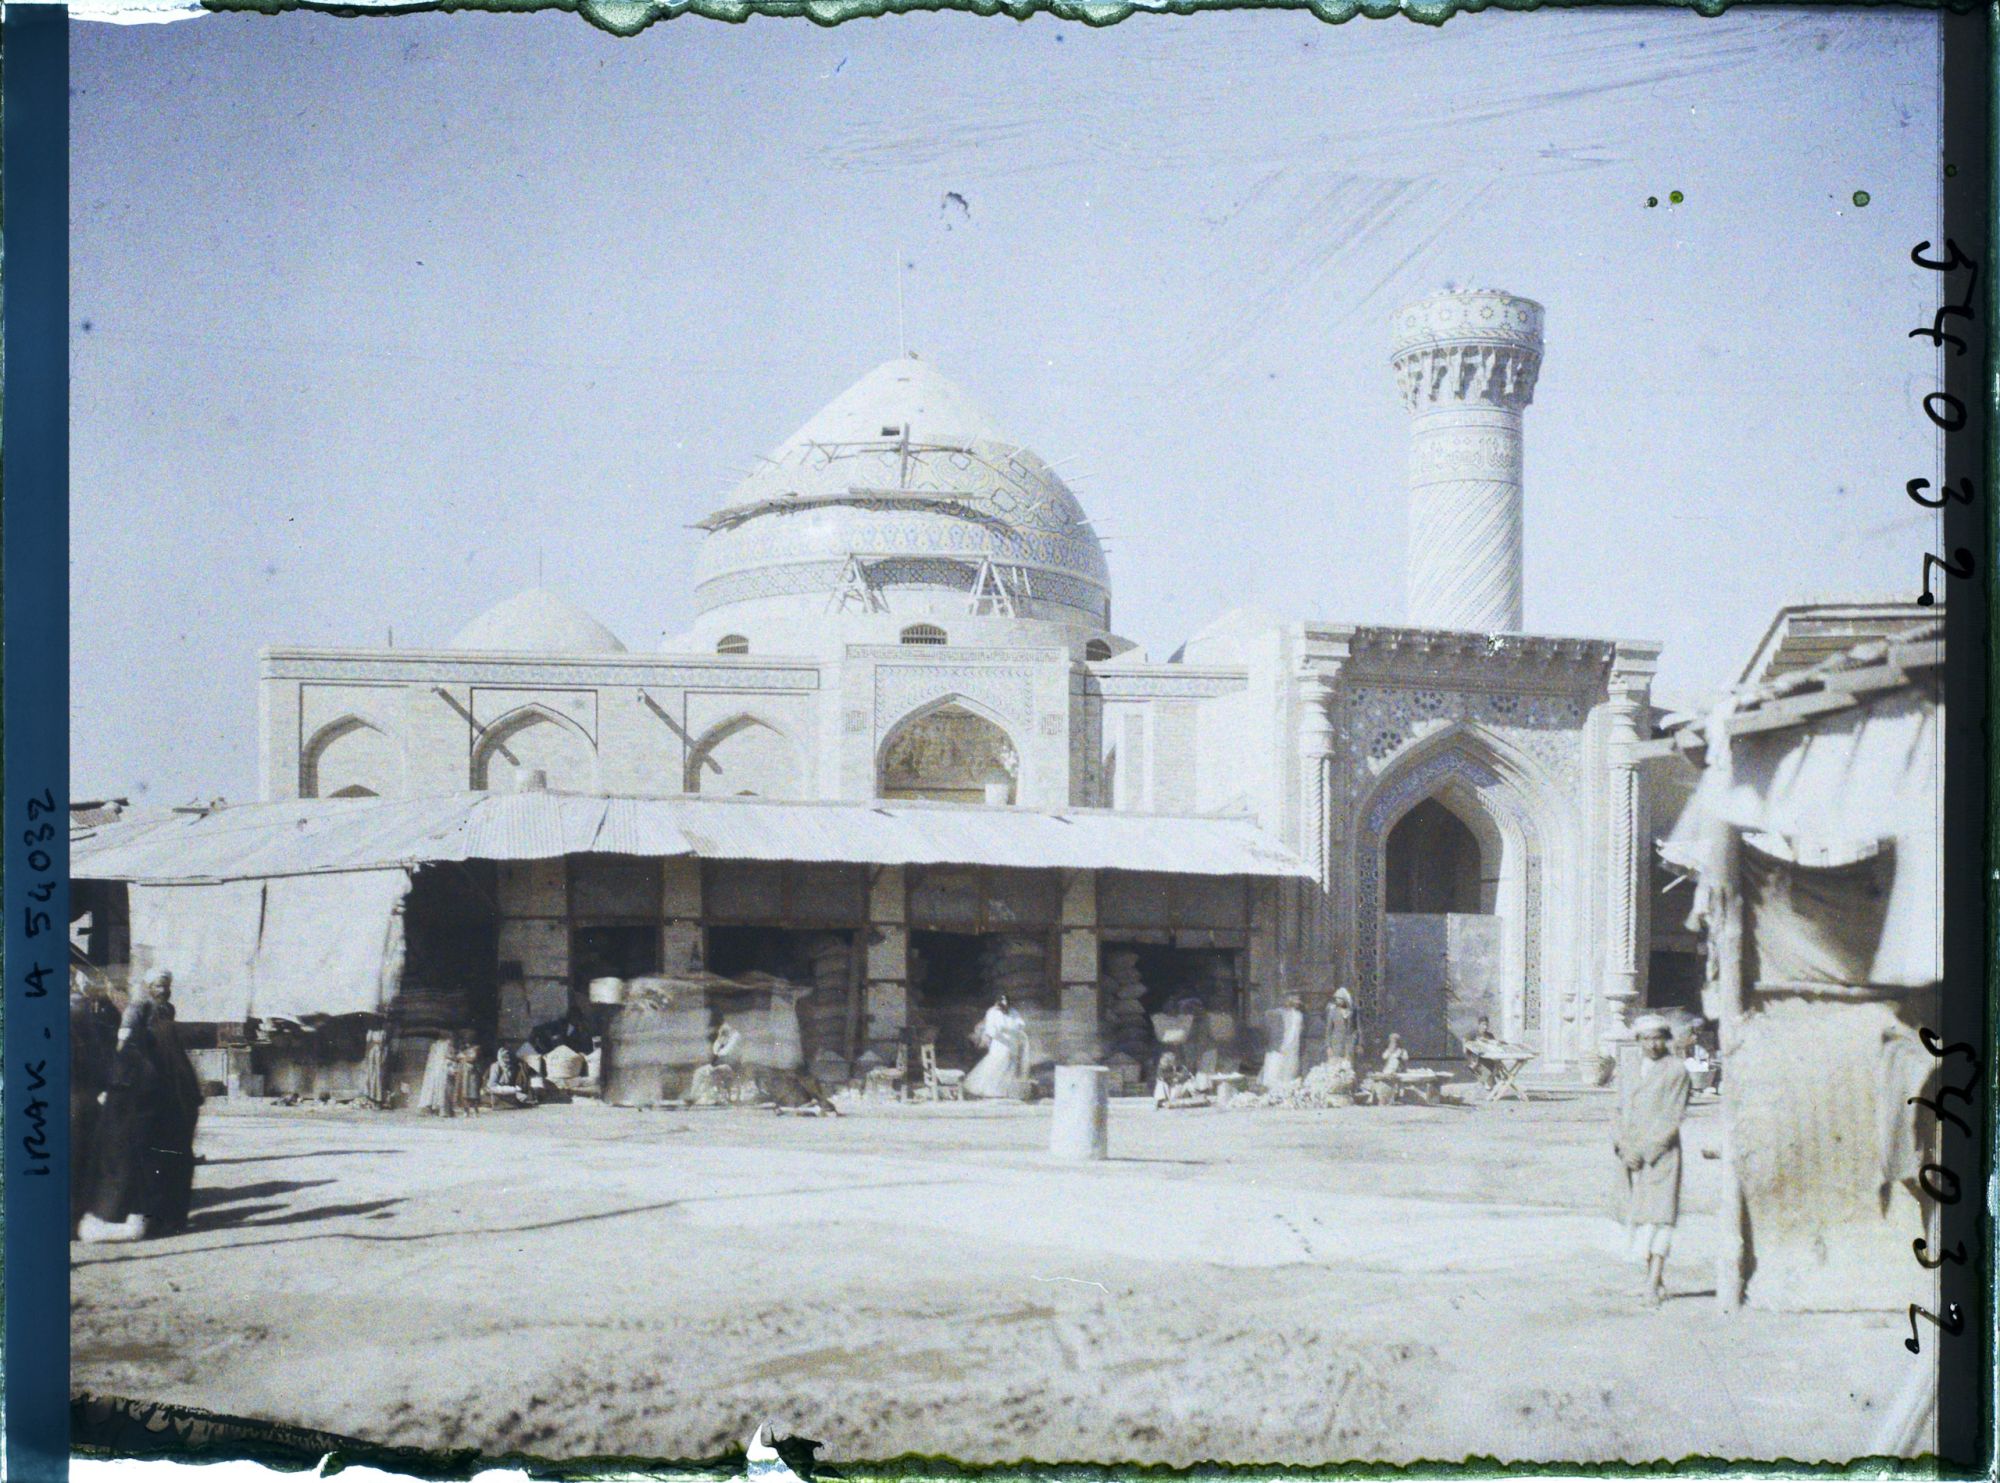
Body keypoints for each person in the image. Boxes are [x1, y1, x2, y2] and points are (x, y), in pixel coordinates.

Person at [1614, 1013, 1693, 1306]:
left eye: (1658, 1037)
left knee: (1661, 1220)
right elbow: (1619, 1109)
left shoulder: (1676, 1071)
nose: (1652, 1044)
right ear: (1638, 1041)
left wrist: (1646, 1151)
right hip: (1631, 1155)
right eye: (1646, 1038)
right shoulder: (1631, 1070)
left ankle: (1652, 1283)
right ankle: (1653, 1282)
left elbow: (1672, 1117)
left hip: (1661, 1156)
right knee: (1641, 1217)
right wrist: (1623, 1146)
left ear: (1666, 1039)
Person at [69, 974, 122, 1234]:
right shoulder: (89, 1029)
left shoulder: (84, 1024)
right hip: (82, 1100)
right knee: (82, 1160)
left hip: (76, 1099)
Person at [963, 994, 1031, 1100]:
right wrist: (1002, 1034)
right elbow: (991, 1029)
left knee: (1009, 1065)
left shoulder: (1013, 1012)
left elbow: (1020, 1023)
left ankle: (1003, 1090)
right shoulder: (992, 1013)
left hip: (1012, 1041)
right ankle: (989, 1089)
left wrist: (1016, 1029)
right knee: (996, 1063)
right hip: (1000, 1042)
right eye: (1002, 1003)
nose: (1005, 1006)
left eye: (1006, 1003)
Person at [1259, 995, 1305, 1090]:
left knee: (1289, 1075)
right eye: (1295, 999)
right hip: (1279, 1048)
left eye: (1298, 1000)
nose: (1297, 1002)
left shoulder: (1298, 1015)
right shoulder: (1275, 1014)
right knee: (1274, 1073)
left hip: (1292, 1048)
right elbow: (1270, 1031)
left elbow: (1298, 1031)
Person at [416, 1032, 458, 1116]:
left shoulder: (434, 1045)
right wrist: (456, 1057)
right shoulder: (447, 1043)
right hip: (443, 1068)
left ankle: (434, 1108)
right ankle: (442, 1110)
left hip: (434, 1069)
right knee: (444, 1089)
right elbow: (449, 1055)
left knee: (433, 1088)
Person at [1325, 987, 1360, 1069]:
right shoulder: (1333, 1011)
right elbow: (1328, 1030)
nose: (1337, 1001)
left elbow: (1357, 1028)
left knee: (1348, 1068)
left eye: (1340, 999)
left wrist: (1358, 1043)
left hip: (1349, 1044)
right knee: (1336, 1068)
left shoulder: (1352, 1011)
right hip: (1336, 1044)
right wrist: (1328, 1046)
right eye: (1336, 999)